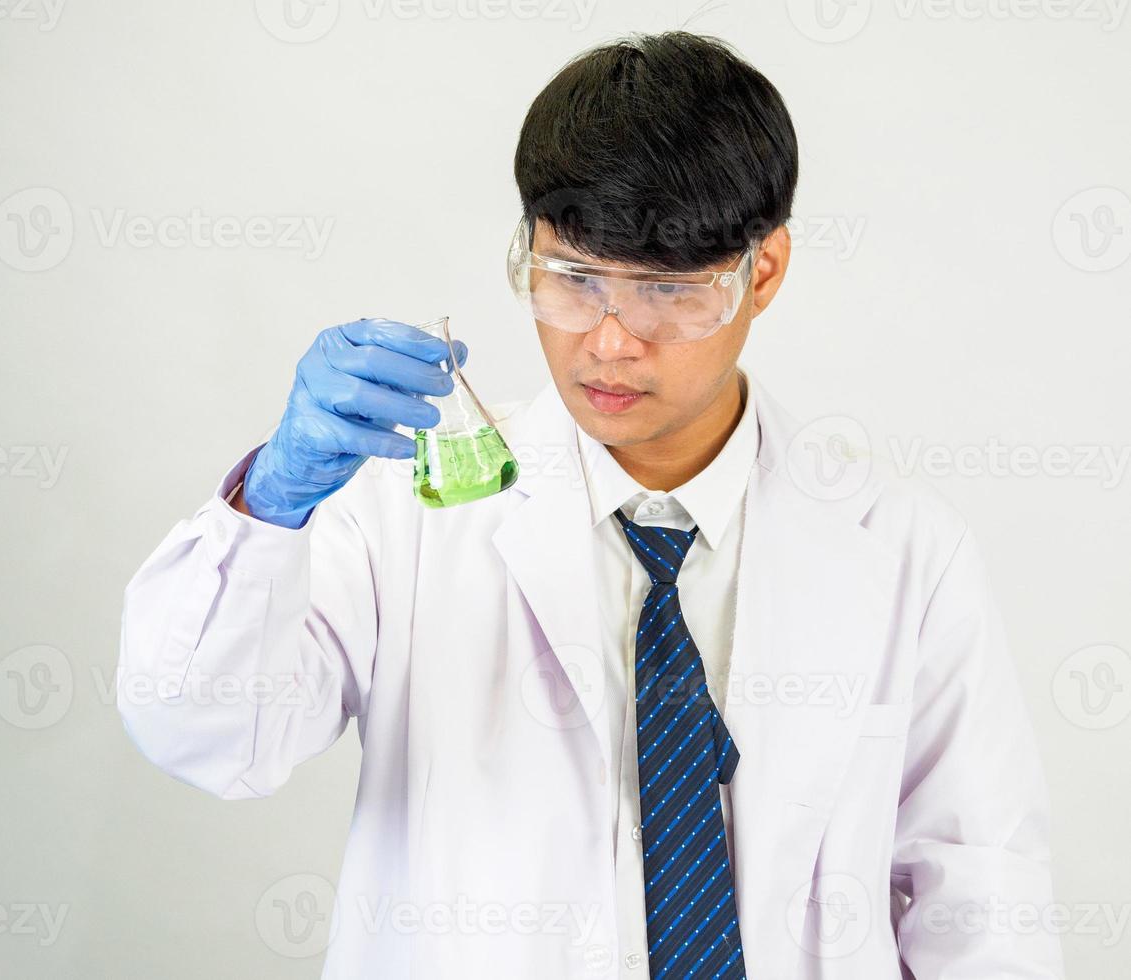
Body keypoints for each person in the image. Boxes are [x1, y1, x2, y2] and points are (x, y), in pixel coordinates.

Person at [117, 31, 1063, 980]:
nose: (609, 343)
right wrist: (268, 509)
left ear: (763, 271)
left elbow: (979, 897)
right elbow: (206, 736)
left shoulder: (903, 550)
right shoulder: (406, 515)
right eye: (572, 280)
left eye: (665, 292)